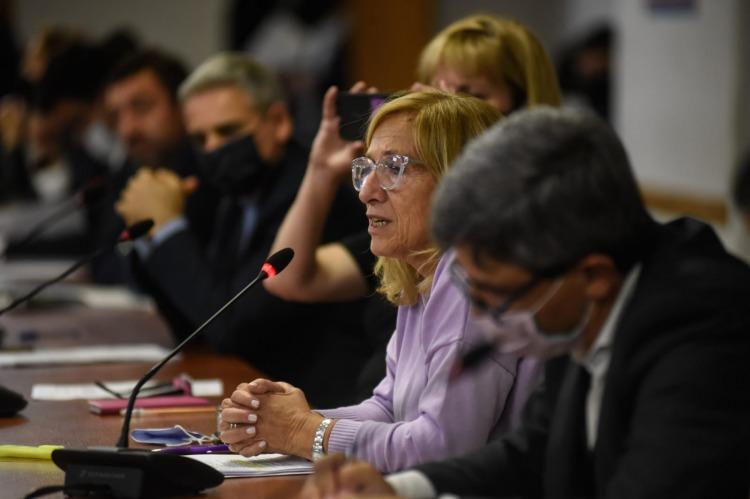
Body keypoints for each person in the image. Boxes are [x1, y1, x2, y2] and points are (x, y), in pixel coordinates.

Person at [297, 107, 750, 499]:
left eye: (497, 296)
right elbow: (535, 448)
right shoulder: (582, 303)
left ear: (592, 277)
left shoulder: (703, 339)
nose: (483, 319)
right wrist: (402, 489)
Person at [220, 91, 540, 473]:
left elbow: (440, 447)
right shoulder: (423, 277)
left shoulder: (471, 277)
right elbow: (388, 409)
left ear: (459, 182)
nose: (367, 191)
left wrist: (302, 431)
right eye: (367, 168)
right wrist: (275, 419)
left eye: (393, 167)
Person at [263, 14, 561, 396]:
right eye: (437, 89)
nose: (448, 107)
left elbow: (445, 428)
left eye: (468, 93)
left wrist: (311, 426)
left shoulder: (502, 251)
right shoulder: (411, 226)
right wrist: (321, 172)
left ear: (524, 108)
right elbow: (287, 278)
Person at [115, 52, 368, 407]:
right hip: (252, 392)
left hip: (321, 404)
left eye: (228, 131)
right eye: (200, 139)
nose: (213, 149)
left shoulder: (309, 196)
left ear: (278, 121)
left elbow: (232, 327)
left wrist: (168, 229)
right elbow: (194, 324)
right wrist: (151, 234)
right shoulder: (235, 198)